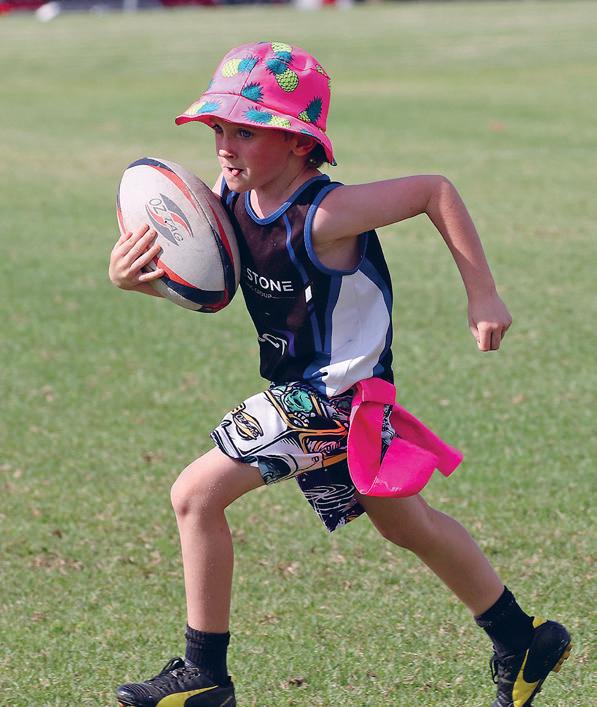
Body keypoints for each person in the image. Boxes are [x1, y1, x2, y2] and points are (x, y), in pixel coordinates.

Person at [108, 42, 570, 707]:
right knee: (407, 525)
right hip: (323, 397)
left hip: (332, 399)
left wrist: (482, 294)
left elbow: (434, 191)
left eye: (246, 132)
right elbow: (214, 287)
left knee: (194, 496)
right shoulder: (232, 197)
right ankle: (521, 637)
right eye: (218, 130)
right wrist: (138, 280)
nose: (225, 147)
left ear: (299, 142)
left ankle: (204, 673)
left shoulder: (325, 215)